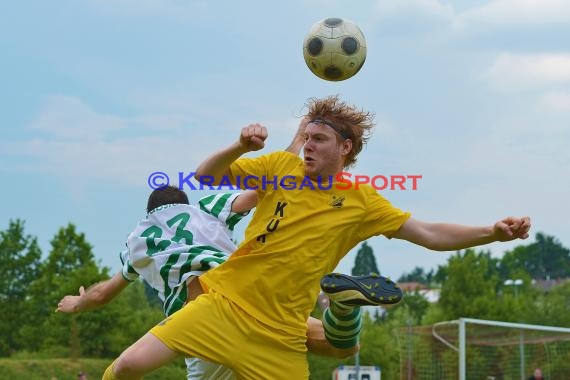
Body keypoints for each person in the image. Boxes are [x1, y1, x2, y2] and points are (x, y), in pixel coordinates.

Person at [102, 95, 531, 379]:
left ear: (345, 148)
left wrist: (491, 232)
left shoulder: (362, 201)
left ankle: (344, 308)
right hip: (223, 306)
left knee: (341, 349)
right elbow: (203, 177)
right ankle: (344, 312)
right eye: (306, 137)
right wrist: (238, 145)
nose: (307, 146)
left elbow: (430, 234)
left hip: (282, 337)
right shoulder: (277, 168)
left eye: (319, 139)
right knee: (125, 368)